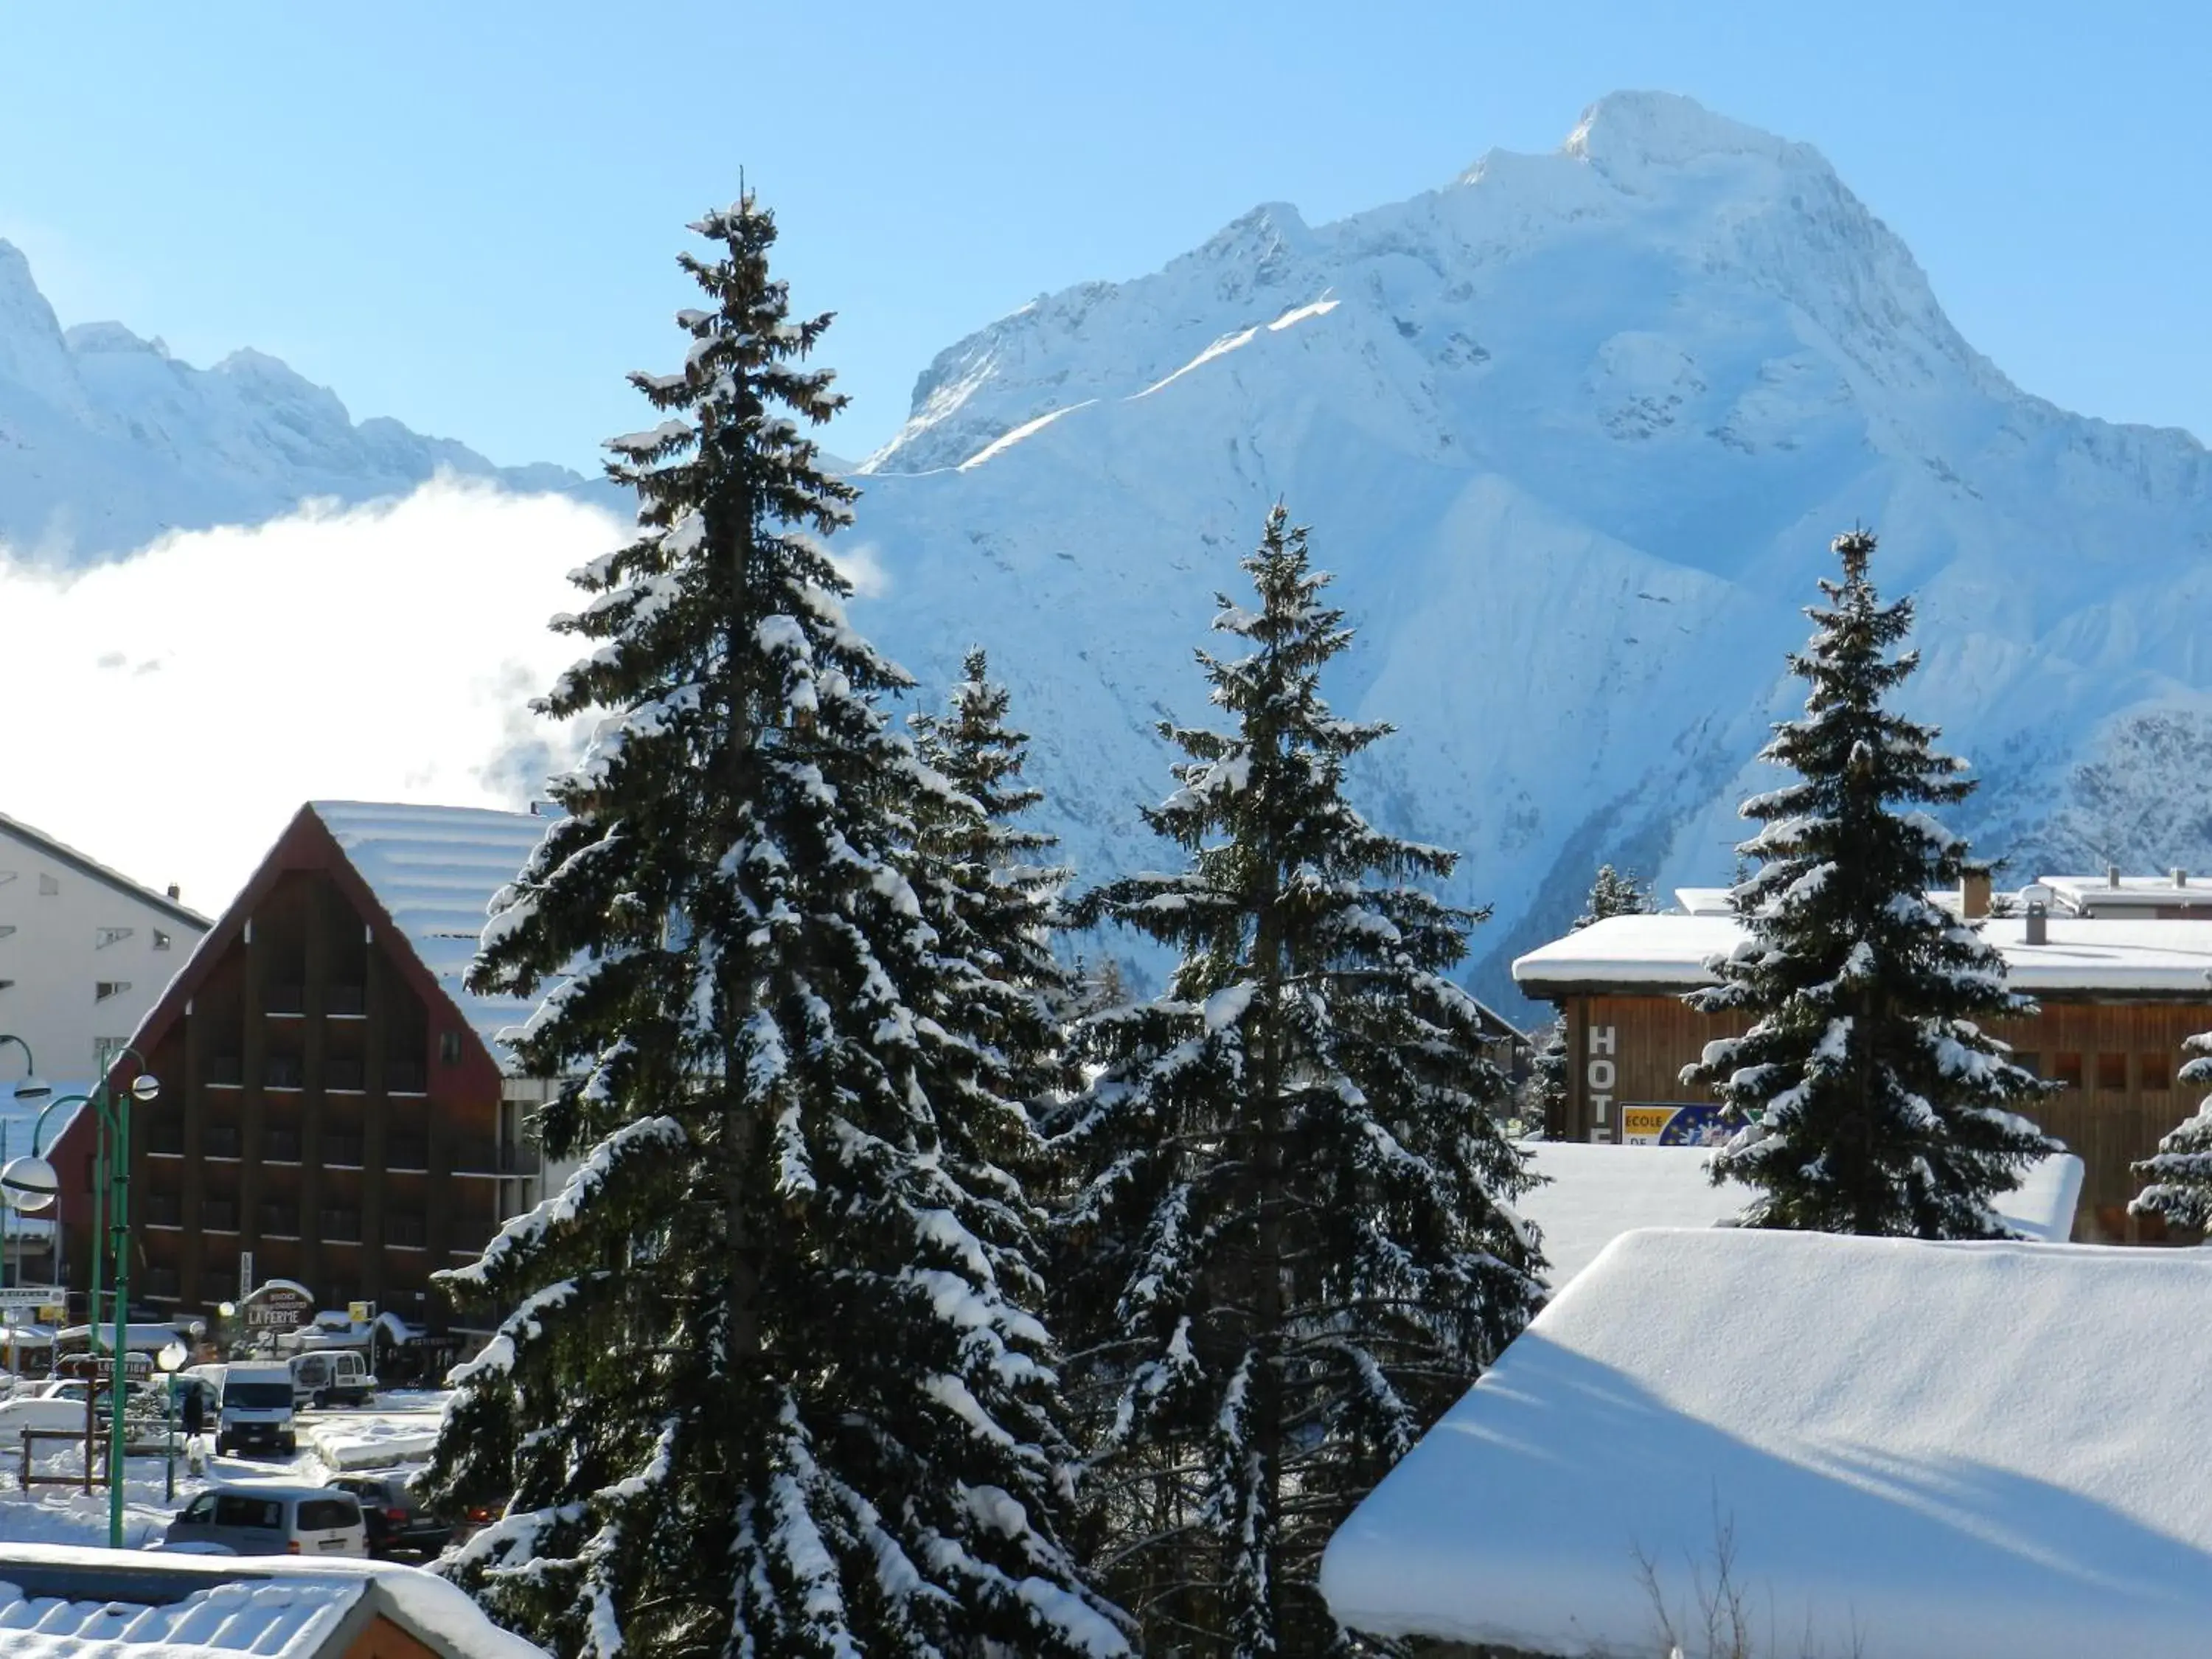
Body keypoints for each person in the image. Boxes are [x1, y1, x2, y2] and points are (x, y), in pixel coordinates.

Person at [178, 1378, 207, 1472]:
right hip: (193, 1420)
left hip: (195, 1421)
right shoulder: (193, 1399)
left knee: (194, 1437)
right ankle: (190, 1453)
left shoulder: (195, 1398)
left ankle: (195, 1455)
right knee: (191, 1436)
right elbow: (189, 1411)